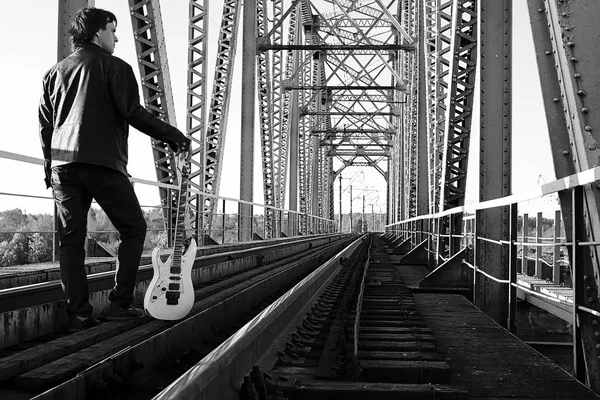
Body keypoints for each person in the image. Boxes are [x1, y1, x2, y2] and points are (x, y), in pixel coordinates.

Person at [38, 7, 191, 332]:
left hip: (63, 168)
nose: (118, 36)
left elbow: (45, 124)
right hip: (102, 162)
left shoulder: (55, 71)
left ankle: (79, 313)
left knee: (70, 241)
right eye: (113, 29)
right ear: (97, 32)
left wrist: (50, 167)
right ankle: (119, 304)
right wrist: (175, 137)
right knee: (134, 228)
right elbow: (133, 113)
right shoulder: (115, 66)